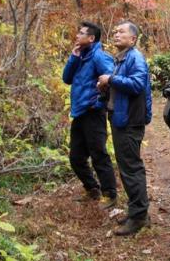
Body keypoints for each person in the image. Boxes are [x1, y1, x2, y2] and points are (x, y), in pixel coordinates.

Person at [97, 21, 153, 236]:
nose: (116, 34)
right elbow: (123, 87)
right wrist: (106, 85)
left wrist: (110, 78)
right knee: (128, 167)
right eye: (116, 31)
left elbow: (137, 84)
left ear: (133, 39)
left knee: (131, 168)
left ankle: (138, 217)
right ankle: (137, 212)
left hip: (130, 121)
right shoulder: (121, 59)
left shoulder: (135, 58)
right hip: (121, 118)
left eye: (122, 32)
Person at [62, 22, 117, 209]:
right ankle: (92, 189)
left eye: (81, 33)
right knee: (76, 157)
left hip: (93, 112)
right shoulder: (81, 56)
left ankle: (110, 194)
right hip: (79, 112)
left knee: (99, 154)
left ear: (91, 38)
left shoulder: (99, 57)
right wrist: (74, 57)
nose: (77, 35)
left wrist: (98, 101)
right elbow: (66, 78)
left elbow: (111, 79)